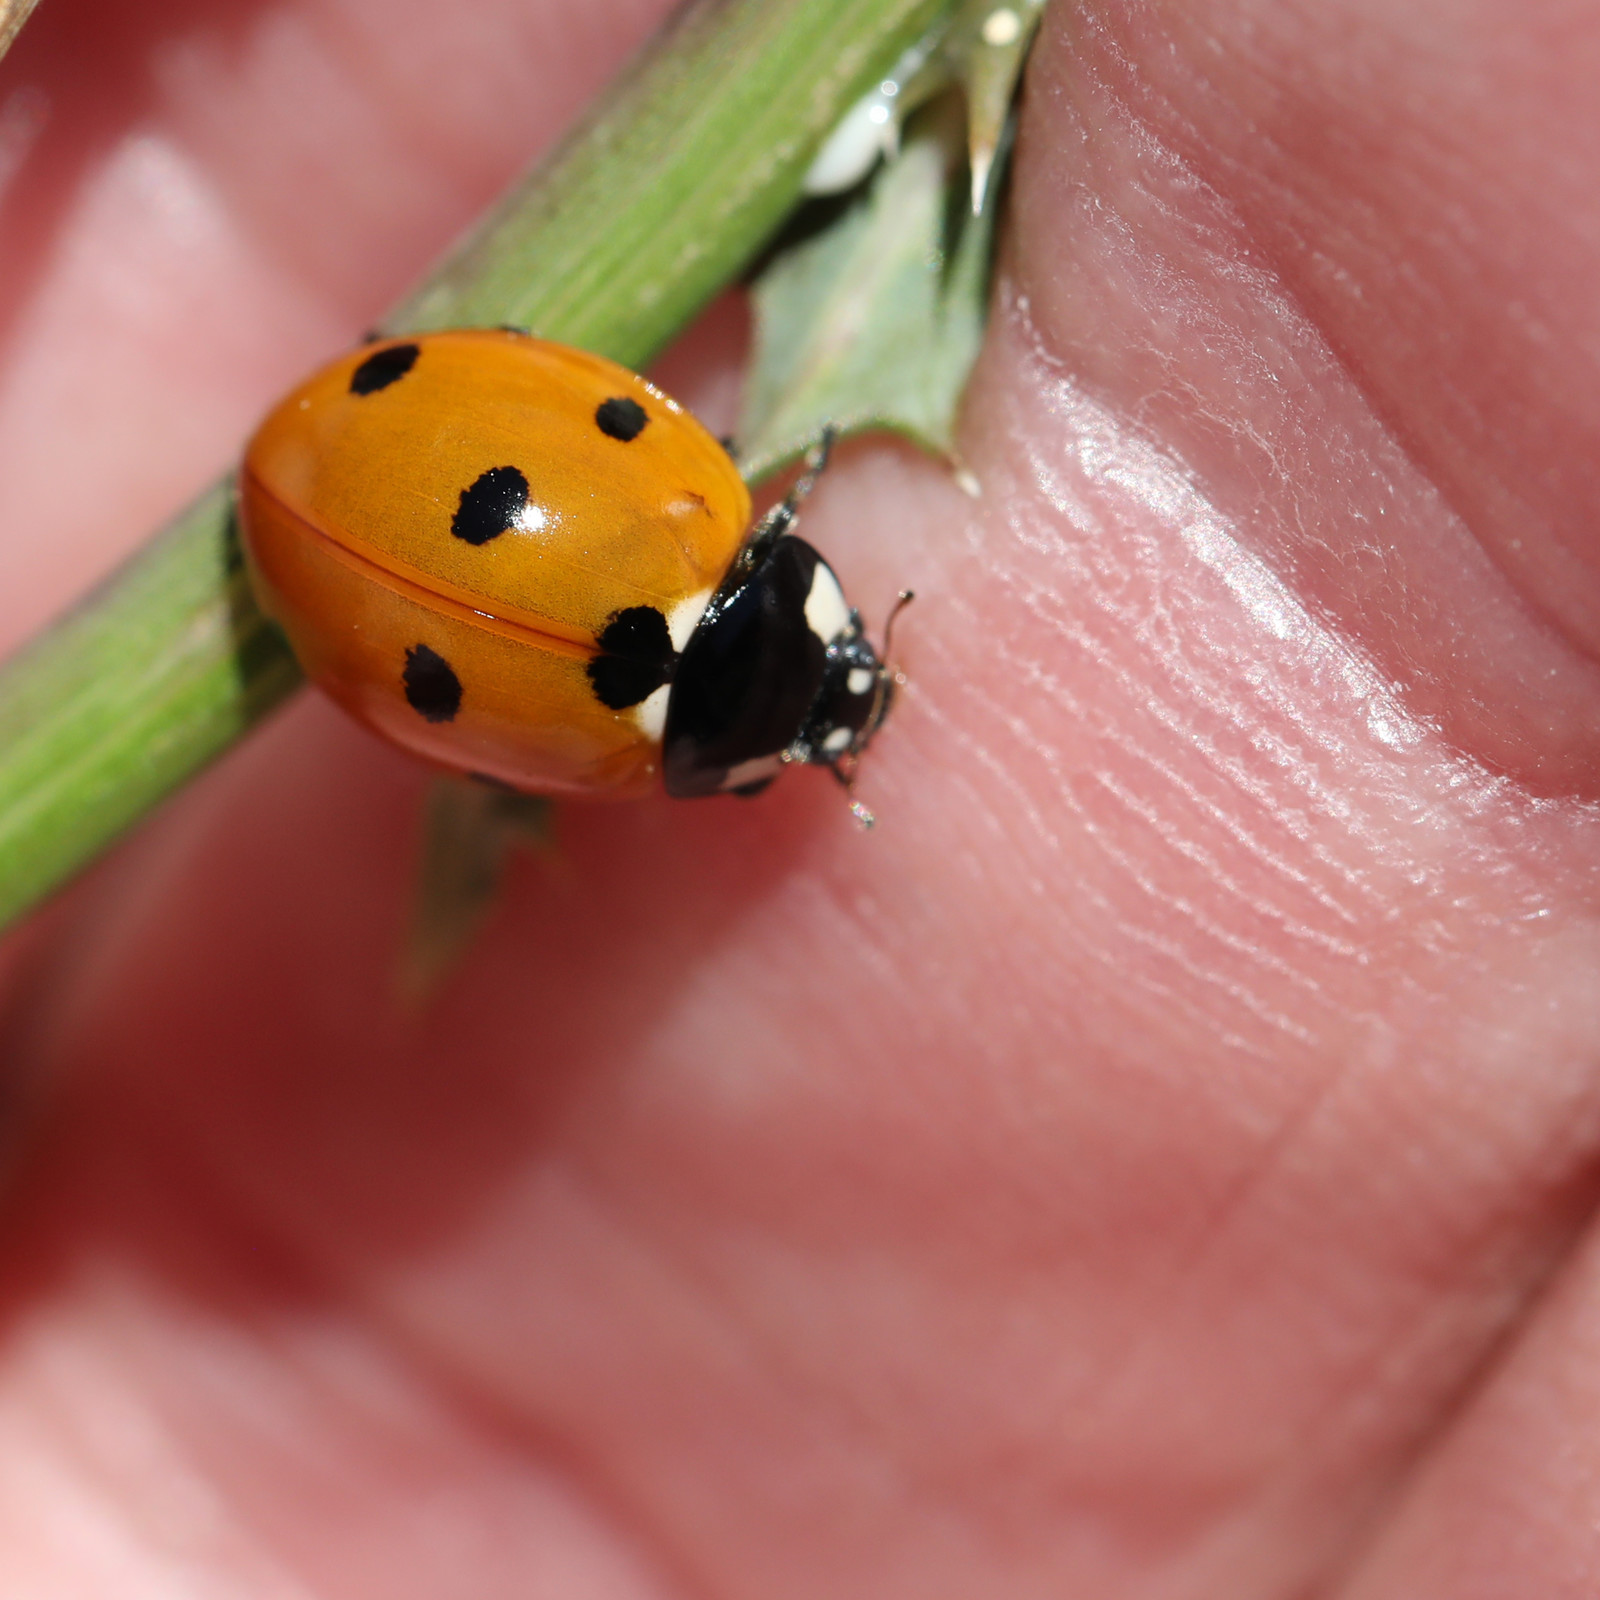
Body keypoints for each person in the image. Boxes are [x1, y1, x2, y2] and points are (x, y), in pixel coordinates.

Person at [0, 0, 1592, 1593]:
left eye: (833, 664)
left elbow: (572, 418)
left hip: (364, 454)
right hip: (348, 492)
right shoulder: (611, 739)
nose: (847, 669)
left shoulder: (693, 509)